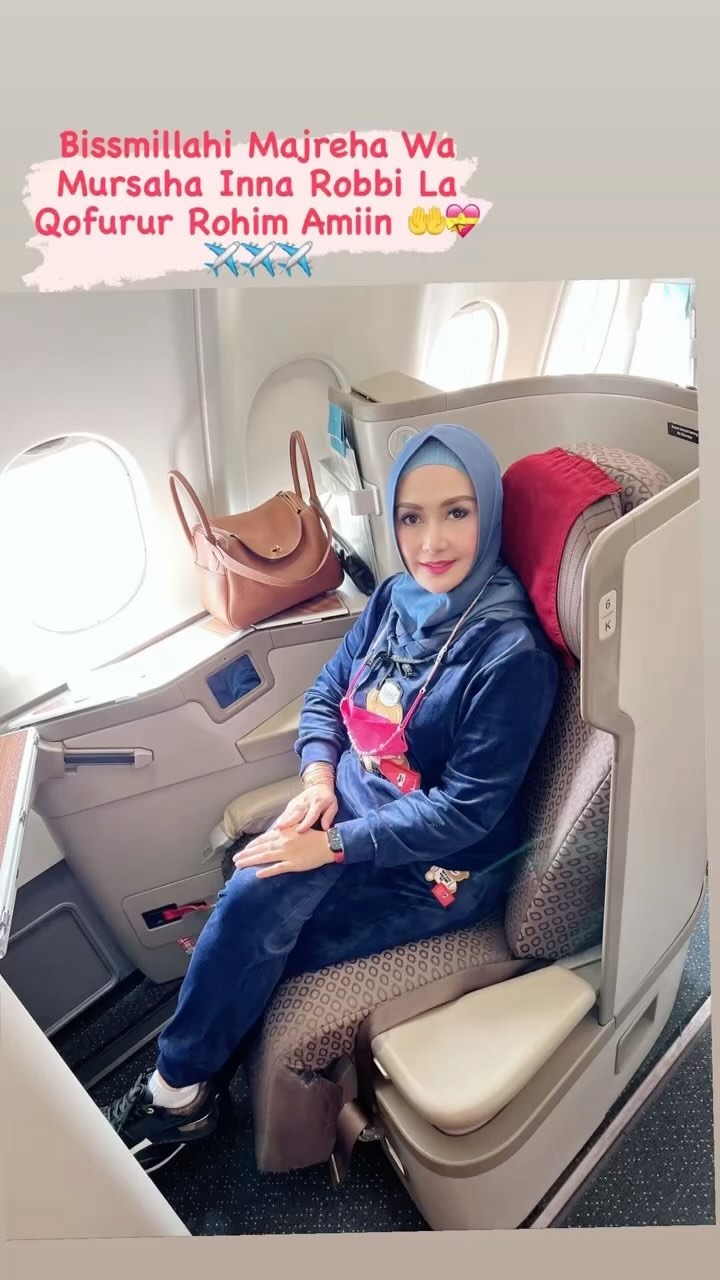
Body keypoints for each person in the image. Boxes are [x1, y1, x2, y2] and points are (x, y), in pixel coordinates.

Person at [102, 424, 560, 1172]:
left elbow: (465, 813)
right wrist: (319, 781)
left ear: (491, 512)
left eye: (457, 512)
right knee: (253, 899)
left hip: (439, 868)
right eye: (411, 516)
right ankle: (190, 1080)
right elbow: (325, 696)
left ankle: (177, 1093)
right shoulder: (393, 600)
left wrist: (333, 844)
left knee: (257, 918)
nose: (431, 541)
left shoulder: (510, 657)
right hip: (349, 807)